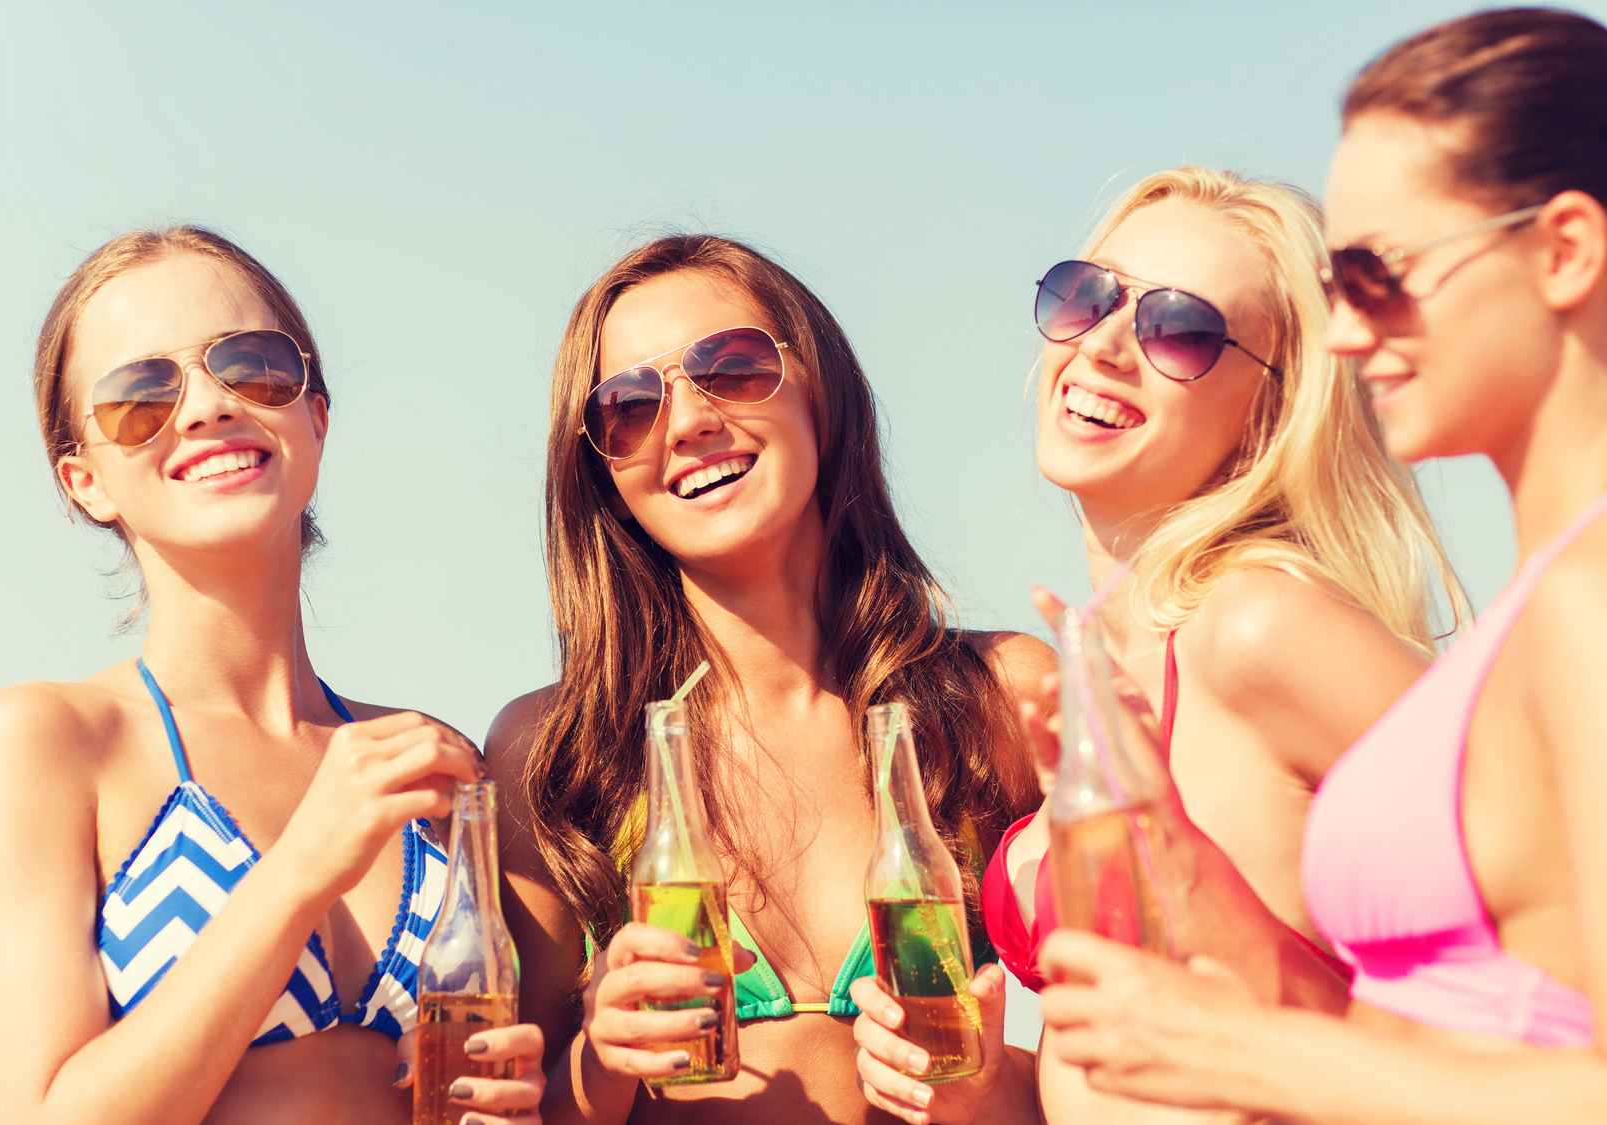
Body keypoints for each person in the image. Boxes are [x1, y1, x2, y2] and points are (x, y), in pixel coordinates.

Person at [1037, 10, 1607, 1123]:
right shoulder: (1535, 605)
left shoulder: (1586, 598)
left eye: (1377, 273)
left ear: (1561, 252)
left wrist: (1245, 1059)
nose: (1341, 336)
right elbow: (1424, 1020)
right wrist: (1175, 857)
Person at [855, 166, 1466, 1125]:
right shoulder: (1103, 664)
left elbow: (1554, 913)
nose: (1103, 343)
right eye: (1085, 296)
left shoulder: (1259, 624)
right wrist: (981, 1088)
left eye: (1177, 329)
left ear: (1273, 408)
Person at [0, 226, 542, 1125]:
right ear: (85, 480)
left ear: (317, 417)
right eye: (140, 395)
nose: (207, 407)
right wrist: (302, 865)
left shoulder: (427, 760)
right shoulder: (42, 743)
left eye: (253, 366)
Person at [484, 233, 1052, 1124]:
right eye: (627, 404)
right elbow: (500, 1113)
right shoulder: (556, 752)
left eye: (732, 365)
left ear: (819, 379)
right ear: (602, 470)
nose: (687, 420)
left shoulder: (999, 700)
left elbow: (1129, 1067)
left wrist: (989, 1085)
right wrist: (602, 1059)